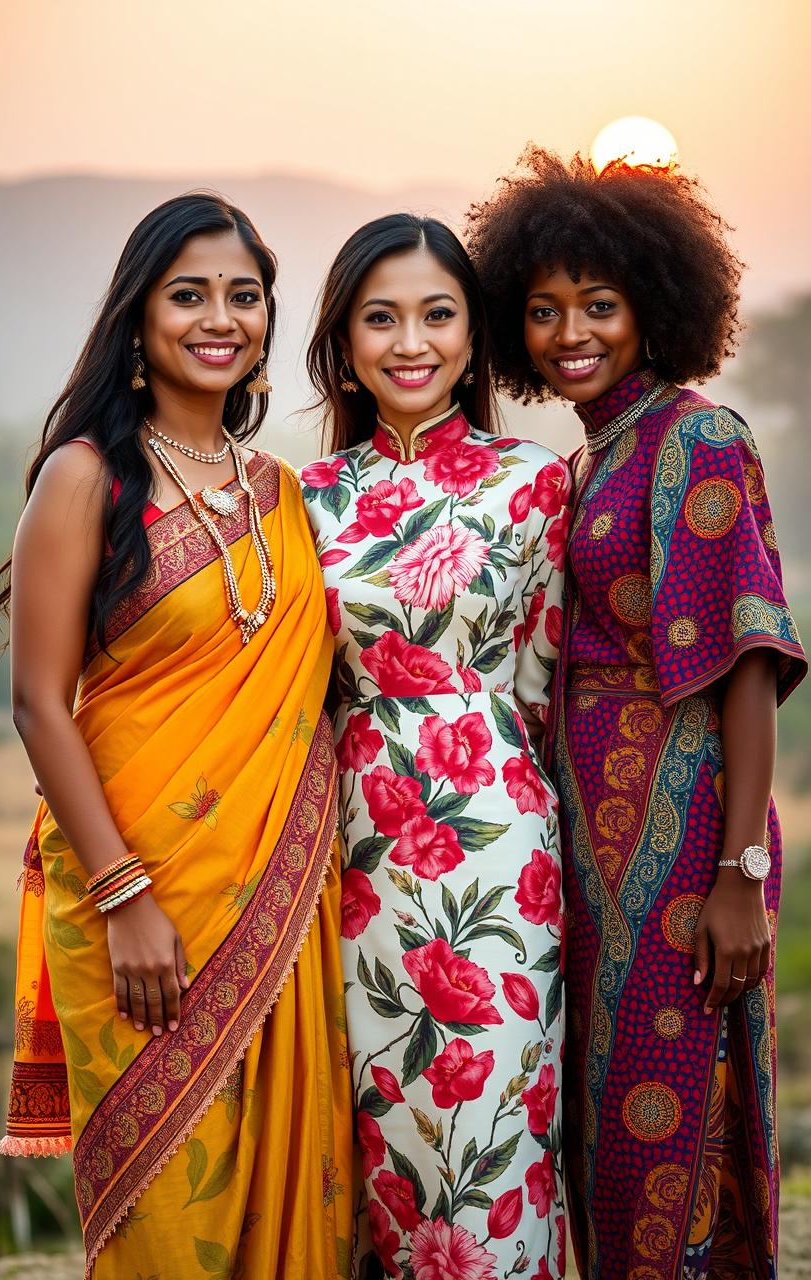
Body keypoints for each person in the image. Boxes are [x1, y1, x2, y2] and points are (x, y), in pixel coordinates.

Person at [0, 193, 352, 1279]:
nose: (220, 317)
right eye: (188, 293)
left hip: (286, 892)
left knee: (294, 1190)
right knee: (169, 1208)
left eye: (244, 295)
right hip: (138, 898)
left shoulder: (282, 491)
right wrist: (123, 893)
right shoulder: (85, 477)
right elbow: (38, 702)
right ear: (138, 316)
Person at [466, 145, 808, 1279]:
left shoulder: (694, 438)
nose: (572, 330)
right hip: (586, 843)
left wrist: (741, 875)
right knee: (606, 1131)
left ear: (654, 306)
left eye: (599, 305)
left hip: (678, 848)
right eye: (545, 307)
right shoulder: (596, 453)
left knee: (669, 1123)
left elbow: (745, 663)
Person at [302, 213, 571, 1280]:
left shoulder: (536, 481)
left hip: (501, 852)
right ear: (345, 344)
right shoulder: (302, 501)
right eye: (381, 318)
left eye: (436, 314)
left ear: (473, 336)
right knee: (381, 1142)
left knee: (494, 1140)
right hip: (351, 859)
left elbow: (546, 684)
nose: (410, 341)